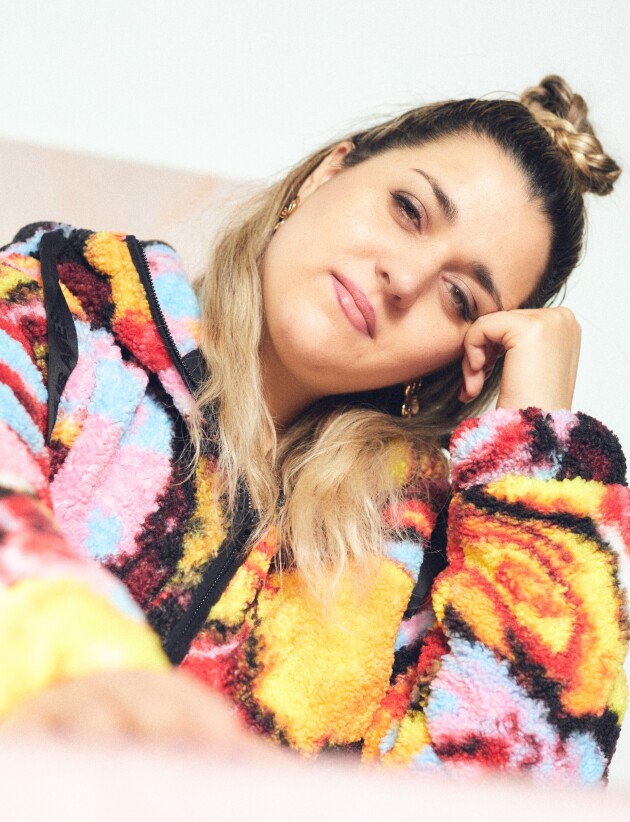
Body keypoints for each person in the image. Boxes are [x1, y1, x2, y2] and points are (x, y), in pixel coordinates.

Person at [0, 75, 628, 780]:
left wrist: (542, 473)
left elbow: (512, 795)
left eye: (460, 296)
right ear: (327, 173)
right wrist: (92, 674)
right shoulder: (56, 312)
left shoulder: (411, 555)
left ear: (461, 360)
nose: (404, 277)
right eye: (409, 210)